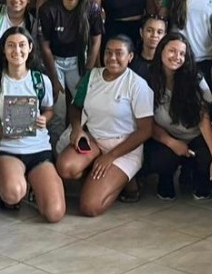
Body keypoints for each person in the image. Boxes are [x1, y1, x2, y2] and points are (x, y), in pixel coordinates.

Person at [56, 34, 154, 216]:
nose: (112, 58)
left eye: (119, 53)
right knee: (65, 167)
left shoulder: (137, 85)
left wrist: (110, 157)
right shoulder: (92, 76)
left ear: (130, 57)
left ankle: (126, 182)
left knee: (90, 207)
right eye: (108, 52)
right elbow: (75, 107)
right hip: (93, 140)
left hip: (123, 147)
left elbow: (146, 130)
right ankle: (98, 177)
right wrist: (77, 130)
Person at [0, 25, 64, 222]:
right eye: (10, 45)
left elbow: (49, 110)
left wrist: (45, 118)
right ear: (3, 49)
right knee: (12, 193)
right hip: (5, 149)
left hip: (38, 148)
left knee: (55, 213)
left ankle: (35, 185)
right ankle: (18, 185)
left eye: (21, 45)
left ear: (30, 48)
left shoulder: (41, 80)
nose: (16, 51)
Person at [142, 31, 212, 201]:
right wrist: (172, 143)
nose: (177, 57)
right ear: (161, 50)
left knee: (205, 177)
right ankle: (166, 178)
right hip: (165, 135)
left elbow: (204, 121)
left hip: (196, 135)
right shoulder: (148, 79)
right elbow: (147, 122)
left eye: (182, 53)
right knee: (162, 159)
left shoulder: (195, 78)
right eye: (172, 51)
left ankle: (193, 173)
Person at [38, 0, 104, 139]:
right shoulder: (48, 9)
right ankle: (55, 150)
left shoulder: (92, 8)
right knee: (57, 111)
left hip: (79, 62)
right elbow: (44, 45)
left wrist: (88, 70)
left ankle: (79, 143)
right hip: (54, 62)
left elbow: (97, 38)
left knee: (85, 106)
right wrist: (53, 77)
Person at [129, 14, 167, 84]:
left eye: (159, 32)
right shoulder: (130, 60)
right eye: (149, 30)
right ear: (141, 32)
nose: (154, 35)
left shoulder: (167, 63)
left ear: (165, 36)